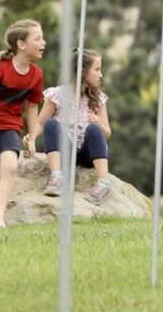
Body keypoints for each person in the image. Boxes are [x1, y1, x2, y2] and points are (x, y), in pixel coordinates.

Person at [0, 19, 45, 228]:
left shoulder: (36, 75)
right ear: (22, 44)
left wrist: (32, 136)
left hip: (10, 126)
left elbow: (32, 107)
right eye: (38, 38)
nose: (44, 42)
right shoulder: (1, 68)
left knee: (10, 166)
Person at [33, 48, 112, 206]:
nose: (100, 74)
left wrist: (99, 124)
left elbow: (107, 133)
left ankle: (104, 183)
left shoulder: (98, 99)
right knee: (51, 123)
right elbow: (40, 123)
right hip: (65, 151)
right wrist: (31, 138)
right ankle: (57, 176)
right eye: (97, 69)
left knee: (94, 129)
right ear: (83, 71)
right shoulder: (56, 95)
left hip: (87, 154)